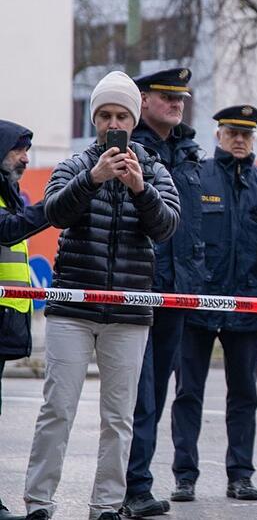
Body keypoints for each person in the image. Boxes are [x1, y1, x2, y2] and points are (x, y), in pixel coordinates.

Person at [23, 70, 180, 520]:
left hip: (129, 313)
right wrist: (92, 178)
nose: (114, 123)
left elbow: (167, 227)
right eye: (105, 115)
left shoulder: (154, 170)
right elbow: (54, 212)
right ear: (95, 120)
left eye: (122, 116)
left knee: (119, 416)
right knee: (57, 408)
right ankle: (38, 502)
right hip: (72, 307)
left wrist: (139, 188)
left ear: (134, 121)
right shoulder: (74, 165)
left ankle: (107, 504)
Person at [168, 105, 257, 502]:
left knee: (244, 395)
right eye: (232, 132)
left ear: (254, 139)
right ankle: (184, 475)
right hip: (198, 306)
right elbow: (178, 239)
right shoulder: (195, 177)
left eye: (247, 134)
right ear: (218, 134)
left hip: (248, 307)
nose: (240, 139)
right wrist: (185, 288)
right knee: (188, 394)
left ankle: (241, 475)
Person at [124, 66, 204, 518]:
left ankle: (134, 482)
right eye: (167, 96)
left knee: (154, 397)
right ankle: (133, 487)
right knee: (139, 399)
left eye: (181, 97)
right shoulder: (130, 149)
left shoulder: (190, 153)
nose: (177, 103)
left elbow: (192, 229)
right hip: (137, 288)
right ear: (143, 100)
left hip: (176, 292)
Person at [0, 121, 50, 520]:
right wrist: (56, 206)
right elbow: (8, 232)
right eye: (19, 150)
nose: (26, 158)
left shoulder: (10, 194)